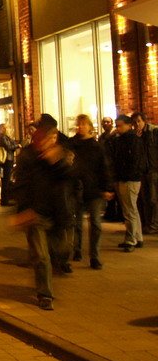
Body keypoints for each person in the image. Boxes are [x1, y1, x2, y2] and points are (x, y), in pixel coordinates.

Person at [12, 124, 76, 310]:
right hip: (35, 213)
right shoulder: (27, 156)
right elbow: (21, 184)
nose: (50, 143)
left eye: (53, 139)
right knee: (41, 256)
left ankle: (55, 267)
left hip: (58, 213)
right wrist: (23, 210)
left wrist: (57, 161)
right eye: (47, 139)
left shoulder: (61, 154)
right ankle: (45, 294)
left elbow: (71, 177)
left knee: (62, 249)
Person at [69, 114, 114, 269]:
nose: (80, 127)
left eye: (83, 124)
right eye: (78, 124)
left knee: (95, 223)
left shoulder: (96, 146)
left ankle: (94, 256)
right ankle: (77, 249)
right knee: (77, 222)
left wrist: (107, 187)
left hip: (93, 189)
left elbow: (104, 167)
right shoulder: (72, 144)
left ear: (89, 126)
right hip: (76, 188)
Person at [36, 113, 76, 272]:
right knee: (47, 242)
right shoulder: (35, 152)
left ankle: (62, 261)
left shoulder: (64, 147)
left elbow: (71, 173)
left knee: (62, 238)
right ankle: (53, 264)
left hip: (61, 201)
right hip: (43, 204)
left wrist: (58, 160)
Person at [109, 114, 145, 251]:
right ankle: (138, 236)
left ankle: (131, 239)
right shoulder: (122, 139)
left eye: (119, 125)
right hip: (127, 177)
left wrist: (125, 175)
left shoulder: (131, 140)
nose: (117, 128)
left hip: (129, 179)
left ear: (128, 125)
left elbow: (134, 160)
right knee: (132, 210)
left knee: (129, 211)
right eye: (116, 126)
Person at [132, 112, 158, 235]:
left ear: (144, 121)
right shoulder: (137, 136)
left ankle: (154, 225)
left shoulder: (153, 132)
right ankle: (148, 224)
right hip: (143, 172)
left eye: (139, 121)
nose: (137, 124)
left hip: (153, 170)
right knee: (145, 200)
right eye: (135, 122)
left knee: (153, 199)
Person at [99, 116, 121, 222]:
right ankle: (110, 212)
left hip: (113, 166)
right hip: (106, 166)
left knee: (116, 192)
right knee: (109, 190)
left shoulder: (115, 136)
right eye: (104, 122)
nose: (106, 124)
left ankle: (118, 213)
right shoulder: (102, 137)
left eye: (108, 122)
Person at [0, 123, 18, 206]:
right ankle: (5, 200)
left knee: (5, 180)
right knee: (6, 180)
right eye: (7, 128)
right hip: (7, 161)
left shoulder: (4, 137)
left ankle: (4, 199)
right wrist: (18, 145)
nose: (9, 129)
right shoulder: (3, 137)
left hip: (7, 161)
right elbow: (9, 147)